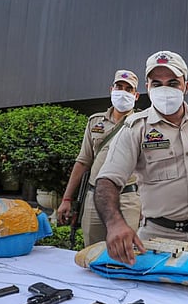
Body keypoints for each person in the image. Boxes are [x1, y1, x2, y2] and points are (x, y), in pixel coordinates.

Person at [95, 50, 188, 264]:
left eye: (173, 83)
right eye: (156, 83)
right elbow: (107, 181)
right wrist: (115, 223)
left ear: (186, 87)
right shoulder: (135, 128)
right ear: (147, 87)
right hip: (158, 238)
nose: (164, 89)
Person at [57, 70, 142, 246]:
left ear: (136, 95)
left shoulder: (142, 123)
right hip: (94, 196)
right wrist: (66, 199)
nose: (123, 92)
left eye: (128, 89)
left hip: (127, 197)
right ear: (111, 89)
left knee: (125, 251)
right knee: (92, 251)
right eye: (119, 87)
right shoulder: (95, 122)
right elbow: (83, 161)